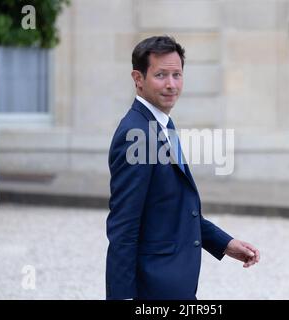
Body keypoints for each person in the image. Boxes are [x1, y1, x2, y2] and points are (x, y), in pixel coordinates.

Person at [106, 35, 260, 300]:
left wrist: (225, 244)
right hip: (153, 289)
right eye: (161, 75)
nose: (171, 84)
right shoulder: (134, 133)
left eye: (177, 74)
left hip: (176, 286)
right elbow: (124, 227)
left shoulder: (164, 125)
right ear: (138, 78)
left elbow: (178, 210)